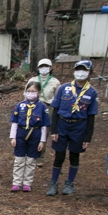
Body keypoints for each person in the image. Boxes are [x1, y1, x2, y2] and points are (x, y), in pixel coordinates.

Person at [46, 60, 98, 196]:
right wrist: (54, 130)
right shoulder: (64, 88)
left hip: (79, 126)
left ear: (89, 72)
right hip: (62, 124)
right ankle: (53, 183)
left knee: (74, 156)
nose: (80, 72)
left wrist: (88, 137)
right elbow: (55, 110)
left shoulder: (92, 92)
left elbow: (91, 116)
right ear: (74, 71)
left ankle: (69, 183)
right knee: (59, 156)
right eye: (78, 69)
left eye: (84, 70)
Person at [9, 81, 50, 192]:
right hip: (21, 134)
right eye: (28, 91)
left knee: (31, 160)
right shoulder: (19, 105)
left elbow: (44, 126)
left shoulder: (42, 107)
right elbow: (14, 123)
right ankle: (16, 182)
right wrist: (13, 137)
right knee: (19, 159)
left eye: (33, 91)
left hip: (35, 134)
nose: (30, 93)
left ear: (39, 93)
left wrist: (42, 141)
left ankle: (27, 183)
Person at [25, 59, 61, 167]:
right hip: (33, 105)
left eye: (46, 66)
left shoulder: (55, 82)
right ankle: (28, 152)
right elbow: (26, 93)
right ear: (38, 68)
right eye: (41, 66)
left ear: (50, 68)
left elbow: (58, 98)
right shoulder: (33, 80)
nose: (43, 68)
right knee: (30, 127)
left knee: (44, 130)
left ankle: (40, 155)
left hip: (48, 106)